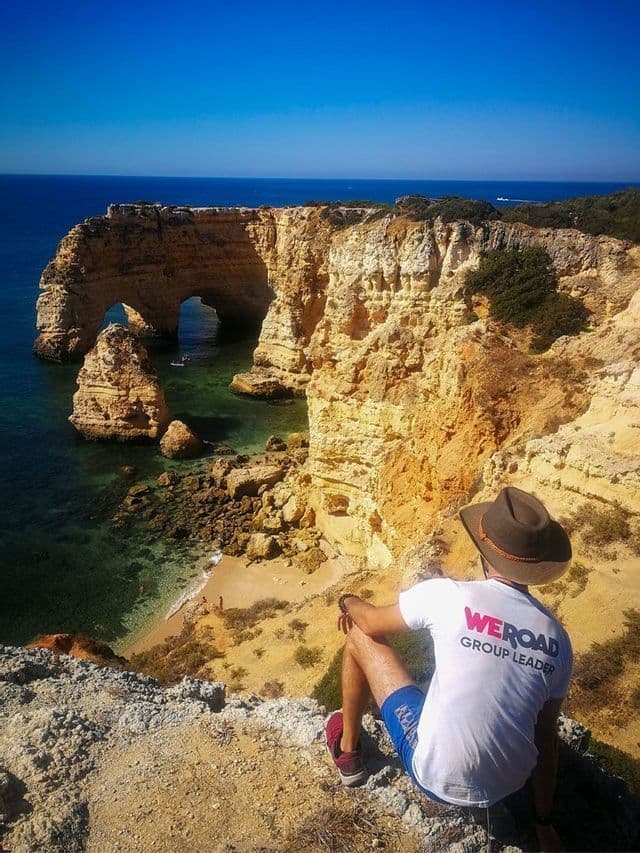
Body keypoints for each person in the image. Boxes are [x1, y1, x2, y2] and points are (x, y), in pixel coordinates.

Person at [325, 487, 573, 853]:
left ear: (484, 552)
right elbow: (545, 738)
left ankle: (348, 753)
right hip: (510, 786)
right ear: (536, 567)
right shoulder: (557, 639)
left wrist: (348, 600)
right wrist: (544, 822)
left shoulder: (449, 595)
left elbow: (372, 622)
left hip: (436, 778)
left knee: (360, 637)